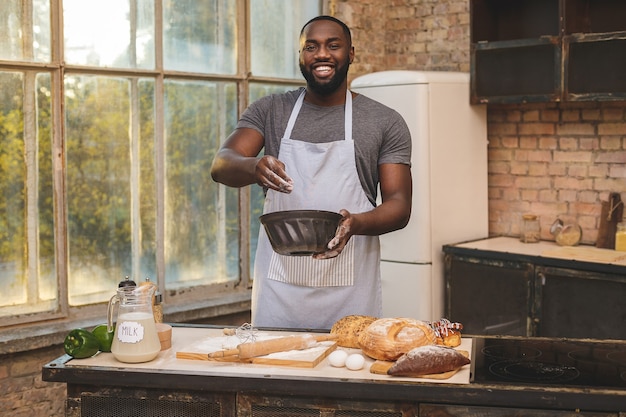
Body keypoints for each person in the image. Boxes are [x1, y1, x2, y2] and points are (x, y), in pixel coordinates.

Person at [210, 15, 412, 330]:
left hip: (350, 295)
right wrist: (254, 166)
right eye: (311, 46)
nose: (321, 54)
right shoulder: (271, 110)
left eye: (334, 45)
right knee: (276, 374)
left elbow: (399, 205)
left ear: (351, 54)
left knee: (348, 371)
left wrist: (354, 224)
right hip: (279, 292)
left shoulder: (384, 121)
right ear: (301, 55)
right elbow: (221, 165)